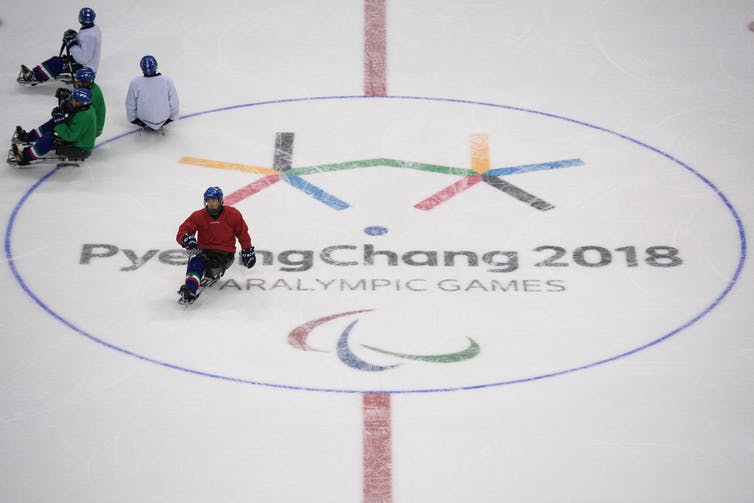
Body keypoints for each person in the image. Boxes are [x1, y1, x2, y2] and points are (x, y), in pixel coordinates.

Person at [176, 186, 256, 303]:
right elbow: (183, 230)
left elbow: (242, 234)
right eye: (208, 200)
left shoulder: (233, 214)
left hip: (225, 254)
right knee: (195, 261)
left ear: (220, 201)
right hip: (204, 251)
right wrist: (186, 239)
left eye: (213, 200)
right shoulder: (198, 216)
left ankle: (210, 274)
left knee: (211, 266)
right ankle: (189, 289)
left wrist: (247, 251)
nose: (211, 203)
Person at [9, 88, 97, 166]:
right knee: (52, 123)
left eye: (74, 100)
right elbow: (72, 120)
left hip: (80, 149)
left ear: (81, 103)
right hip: (78, 141)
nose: (71, 101)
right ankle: (28, 137)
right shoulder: (84, 108)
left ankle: (25, 157)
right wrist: (60, 113)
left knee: (50, 139)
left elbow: (70, 136)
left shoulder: (84, 117)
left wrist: (59, 122)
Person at [18, 7, 102, 85]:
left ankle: (34, 77)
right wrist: (75, 37)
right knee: (56, 60)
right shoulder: (94, 29)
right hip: (87, 64)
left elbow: (83, 59)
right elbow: (85, 46)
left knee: (57, 64)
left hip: (86, 68)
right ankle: (35, 73)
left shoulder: (88, 36)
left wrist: (71, 44)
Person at [126, 55, 180, 131]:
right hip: (164, 119)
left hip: (143, 120)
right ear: (156, 66)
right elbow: (174, 102)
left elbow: (130, 104)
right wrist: (172, 117)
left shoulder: (135, 83)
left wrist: (133, 119)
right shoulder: (167, 80)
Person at [54, 67, 106, 137]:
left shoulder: (93, 95)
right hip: (85, 123)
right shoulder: (89, 88)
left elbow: (80, 112)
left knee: (57, 122)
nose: (77, 82)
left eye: (79, 81)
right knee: (56, 121)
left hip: (91, 129)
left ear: (87, 82)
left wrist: (65, 106)